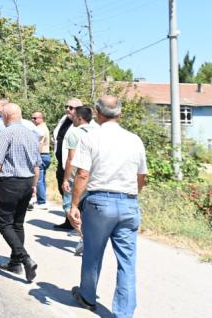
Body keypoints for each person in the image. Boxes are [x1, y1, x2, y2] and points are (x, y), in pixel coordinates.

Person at [69, 96, 147, 317]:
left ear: (97, 113)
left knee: (93, 253)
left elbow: (83, 174)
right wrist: (131, 197)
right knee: (127, 262)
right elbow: (142, 176)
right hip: (129, 202)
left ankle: (87, 296)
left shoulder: (91, 137)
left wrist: (75, 204)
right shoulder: (135, 140)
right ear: (120, 113)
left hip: (100, 203)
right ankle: (124, 313)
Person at [0, 103, 40, 282]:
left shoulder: (6, 133)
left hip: (10, 183)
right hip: (26, 182)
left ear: (6, 116)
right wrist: (34, 185)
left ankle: (24, 258)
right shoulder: (32, 134)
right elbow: (37, 165)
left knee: (3, 223)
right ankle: (15, 263)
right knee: (18, 223)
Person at [62, 105, 95, 255]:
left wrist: (66, 179)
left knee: (70, 207)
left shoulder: (74, 133)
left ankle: (83, 237)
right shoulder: (96, 131)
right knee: (86, 209)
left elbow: (71, 158)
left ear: (80, 118)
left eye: (74, 116)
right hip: (93, 176)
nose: (72, 119)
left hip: (78, 176)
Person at [53, 97, 82, 230]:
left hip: (73, 164)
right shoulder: (64, 120)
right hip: (61, 162)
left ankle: (75, 221)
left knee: (71, 191)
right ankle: (68, 219)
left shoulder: (80, 124)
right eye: (66, 107)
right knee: (63, 190)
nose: (67, 109)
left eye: (71, 108)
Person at [30, 111, 51, 208]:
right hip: (45, 155)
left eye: (35, 118)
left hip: (41, 155)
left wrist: (35, 156)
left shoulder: (41, 129)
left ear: (41, 118)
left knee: (38, 179)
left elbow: (40, 143)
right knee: (41, 179)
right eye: (32, 118)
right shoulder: (42, 127)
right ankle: (41, 199)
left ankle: (42, 202)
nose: (33, 119)